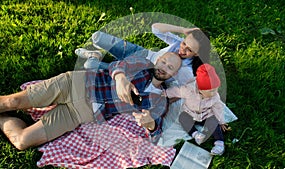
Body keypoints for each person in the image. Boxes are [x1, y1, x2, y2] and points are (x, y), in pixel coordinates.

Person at [0, 52, 182, 150]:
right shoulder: (142, 64)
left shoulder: (159, 101)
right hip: (75, 84)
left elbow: (156, 130)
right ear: (158, 59)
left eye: (171, 67)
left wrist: (149, 124)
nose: (164, 67)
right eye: (164, 61)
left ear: (174, 74)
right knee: (12, 102)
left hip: (79, 114)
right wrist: (120, 78)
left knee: (22, 141)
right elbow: (118, 65)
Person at [75, 23, 211, 85]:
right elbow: (155, 28)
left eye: (189, 50)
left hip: (140, 70)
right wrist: (183, 30)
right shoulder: (178, 42)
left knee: (90, 64)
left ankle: (95, 56)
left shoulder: (187, 70)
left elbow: (171, 85)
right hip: (140, 52)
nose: (183, 50)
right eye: (184, 44)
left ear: (197, 54)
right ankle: (98, 53)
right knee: (97, 37)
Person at [163, 63, 229, 155]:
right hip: (190, 113)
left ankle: (219, 143)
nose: (214, 93)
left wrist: (221, 121)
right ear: (200, 89)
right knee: (182, 118)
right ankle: (196, 134)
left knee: (214, 122)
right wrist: (165, 93)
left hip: (206, 115)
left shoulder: (215, 97)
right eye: (211, 91)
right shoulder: (189, 90)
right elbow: (176, 91)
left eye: (216, 89)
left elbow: (218, 108)